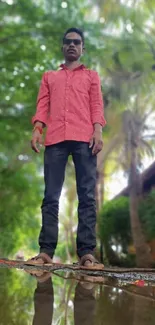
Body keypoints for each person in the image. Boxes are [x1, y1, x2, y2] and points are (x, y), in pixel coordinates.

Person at [28, 27, 106, 268]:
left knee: (87, 196)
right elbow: (43, 105)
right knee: (51, 196)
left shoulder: (91, 76)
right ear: (63, 47)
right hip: (56, 140)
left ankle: (86, 254)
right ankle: (45, 252)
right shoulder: (50, 76)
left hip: (84, 138)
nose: (72, 45)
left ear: (83, 48)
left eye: (77, 42)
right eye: (68, 41)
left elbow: (96, 104)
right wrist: (38, 129)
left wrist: (98, 130)